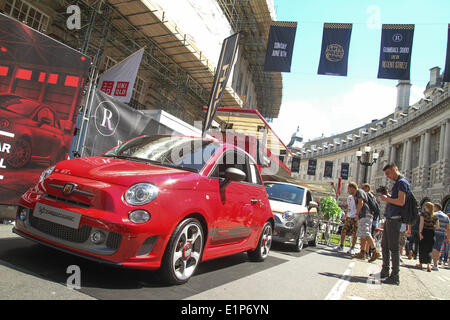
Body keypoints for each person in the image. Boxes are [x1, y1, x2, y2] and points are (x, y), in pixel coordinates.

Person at [379, 163, 410, 285]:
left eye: (388, 173)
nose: (388, 176)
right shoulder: (398, 183)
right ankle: (385, 270)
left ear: (394, 169)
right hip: (390, 217)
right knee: (384, 245)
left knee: (393, 248)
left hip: (395, 219)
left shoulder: (402, 182)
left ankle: (395, 275)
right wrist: (389, 196)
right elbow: (397, 199)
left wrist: (387, 199)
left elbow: (401, 202)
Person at [347, 182, 380, 262]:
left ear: (352, 188)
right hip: (364, 215)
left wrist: (357, 214)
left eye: (349, 188)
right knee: (362, 234)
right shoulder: (358, 193)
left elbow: (361, 203)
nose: (348, 190)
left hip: (365, 215)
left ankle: (375, 251)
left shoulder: (359, 192)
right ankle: (362, 252)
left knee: (366, 233)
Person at [417, 202, 439, 272]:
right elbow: (438, 227)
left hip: (424, 231)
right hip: (431, 232)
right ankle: (429, 264)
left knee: (422, 248)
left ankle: (421, 263)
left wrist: (420, 232)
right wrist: (432, 226)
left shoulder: (423, 214)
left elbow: (421, 224)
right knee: (429, 249)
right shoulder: (435, 216)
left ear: (426, 207)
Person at [431, 203, 450, 271]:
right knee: (438, 249)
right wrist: (448, 237)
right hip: (442, 234)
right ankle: (435, 264)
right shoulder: (446, 216)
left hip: (434, 232)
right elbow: (448, 228)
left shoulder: (434, 214)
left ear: (436, 207)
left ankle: (433, 262)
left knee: (433, 247)